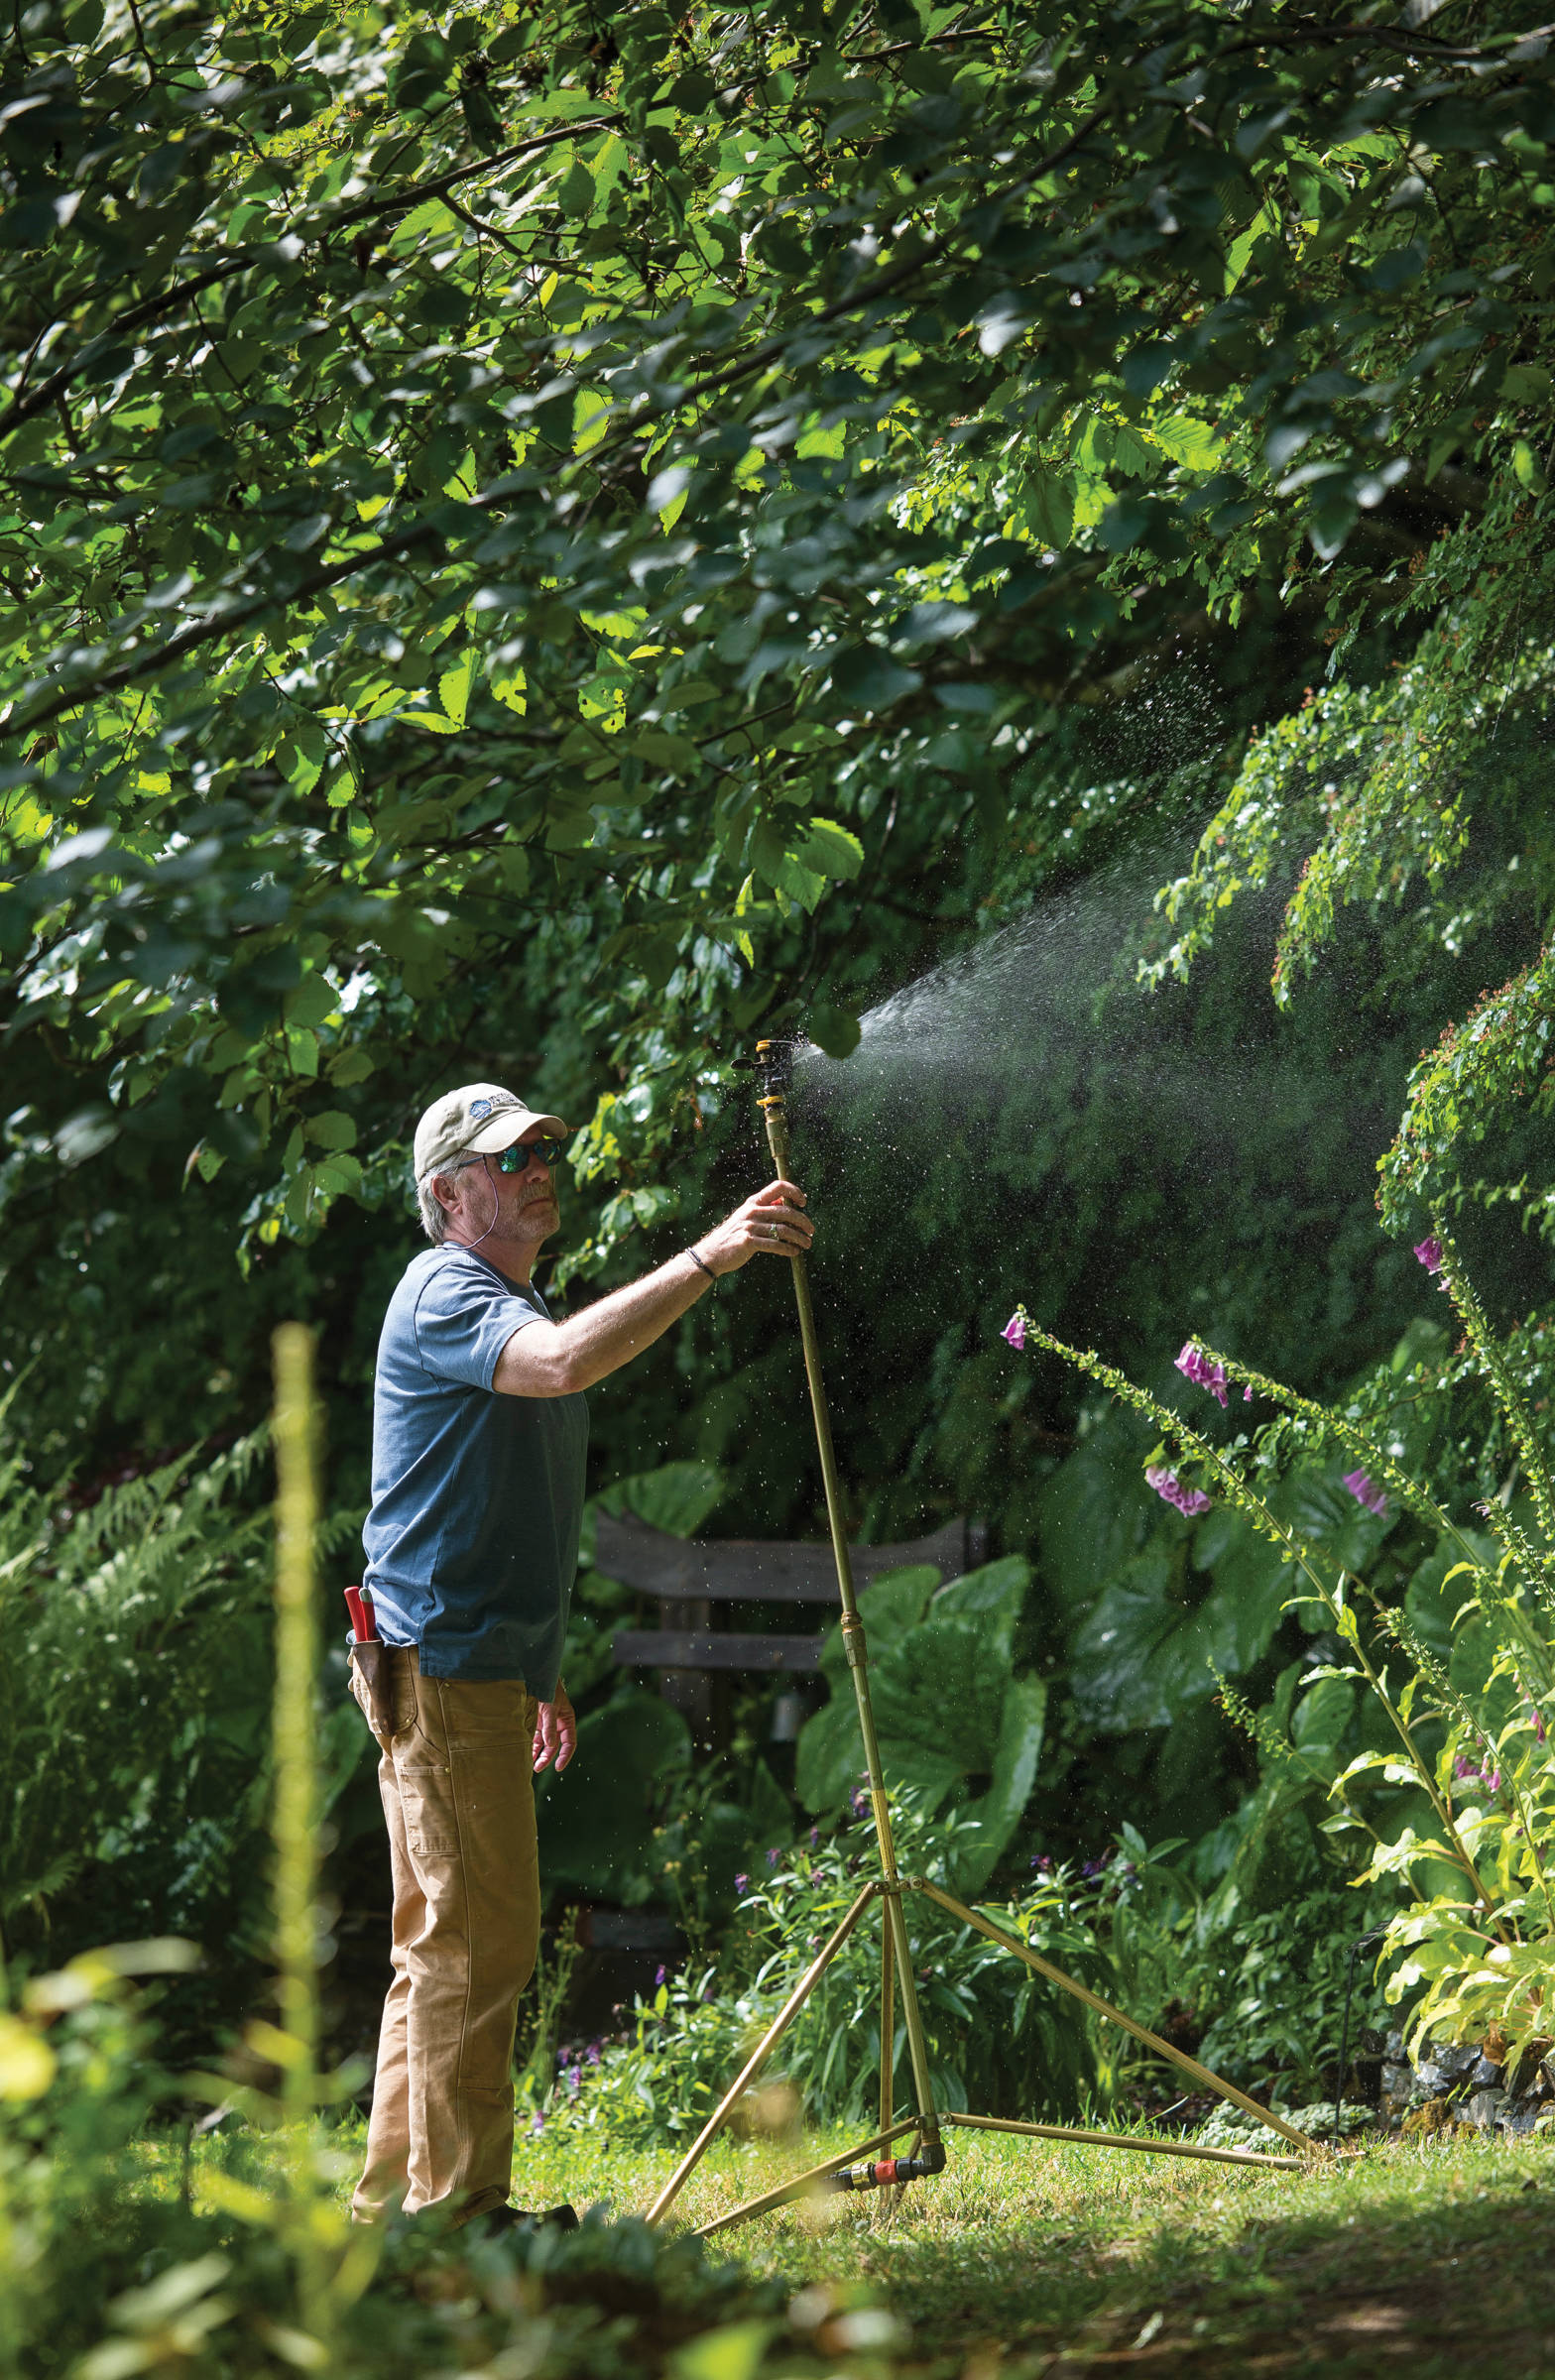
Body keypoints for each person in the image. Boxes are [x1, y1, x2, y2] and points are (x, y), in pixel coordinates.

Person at [347, 1079, 813, 2229]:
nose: (539, 1168)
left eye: (543, 1150)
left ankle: (398, 2223)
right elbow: (559, 1364)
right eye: (509, 1161)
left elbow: (490, 1502)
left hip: (470, 1662)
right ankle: (457, 2222)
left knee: (439, 1944)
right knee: (476, 1946)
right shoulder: (449, 1293)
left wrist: (538, 1660)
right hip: (443, 1667)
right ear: (449, 1194)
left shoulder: (503, 1294)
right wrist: (709, 1257)